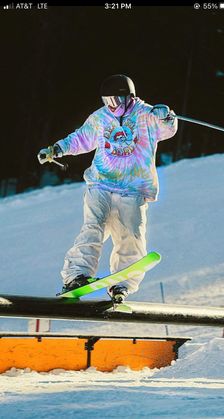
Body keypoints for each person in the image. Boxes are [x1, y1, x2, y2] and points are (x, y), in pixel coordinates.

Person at [38, 74, 178, 303]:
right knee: (93, 227)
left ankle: (121, 285)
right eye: (107, 101)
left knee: (130, 235)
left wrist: (167, 116)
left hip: (133, 188)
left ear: (129, 98)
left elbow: (167, 130)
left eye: (116, 100)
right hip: (101, 183)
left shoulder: (146, 115)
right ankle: (77, 276)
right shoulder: (101, 117)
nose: (112, 105)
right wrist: (56, 149)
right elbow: (81, 138)